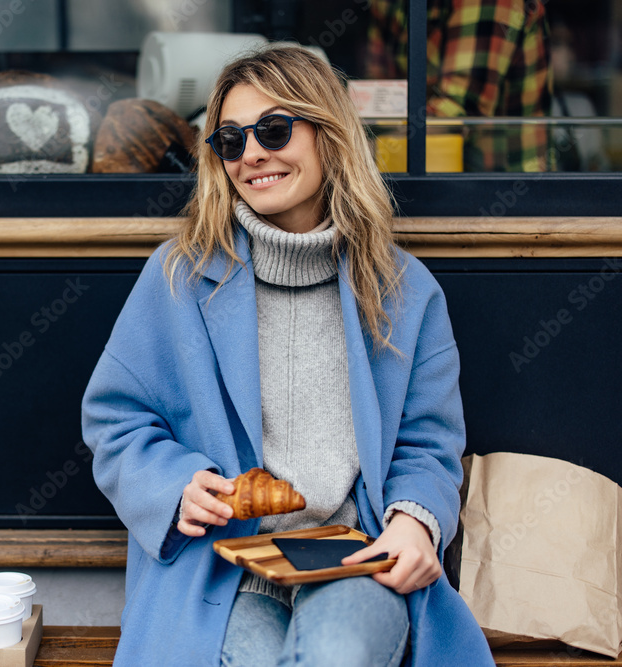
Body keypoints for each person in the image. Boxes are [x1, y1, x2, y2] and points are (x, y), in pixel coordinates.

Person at [81, 46, 493, 666]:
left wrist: (415, 521)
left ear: (328, 135)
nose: (251, 154)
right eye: (230, 139)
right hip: (221, 567)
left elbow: (427, 442)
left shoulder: (403, 292)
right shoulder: (179, 279)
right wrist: (173, 485)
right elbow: (116, 420)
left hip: (354, 557)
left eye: (274, 130)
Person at [366, 0, 554, 172]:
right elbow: (376, 97)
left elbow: (456, 111)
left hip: (506, 185)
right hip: (424, 178)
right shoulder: (391, 5)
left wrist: (358, 151)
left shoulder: (491, 4)